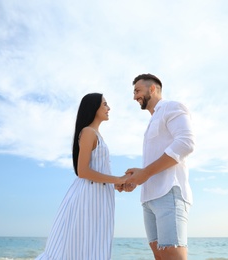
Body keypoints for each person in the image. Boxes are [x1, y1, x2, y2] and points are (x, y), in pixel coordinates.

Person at [36, 93, 128, 260]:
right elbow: (83, 171)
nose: (109, 108)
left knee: (94, 245)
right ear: (94, 108)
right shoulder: (88, 132)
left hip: (99, 196)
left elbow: (98, 169)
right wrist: (117, 179)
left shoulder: (97, 135)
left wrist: (114, 183)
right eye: (105, 104)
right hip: (88, 197)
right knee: (83, 246)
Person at [123, 74, 195, 260]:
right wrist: (135, 178)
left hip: (168, 192)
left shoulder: (171, 107)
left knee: (173, 256)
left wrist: (145, 173)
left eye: (137, 91)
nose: (134, 97)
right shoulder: (152, 120)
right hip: (149, 198)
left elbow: (186, 143)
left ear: (152, 89)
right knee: (159, 256)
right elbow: (155, 160)